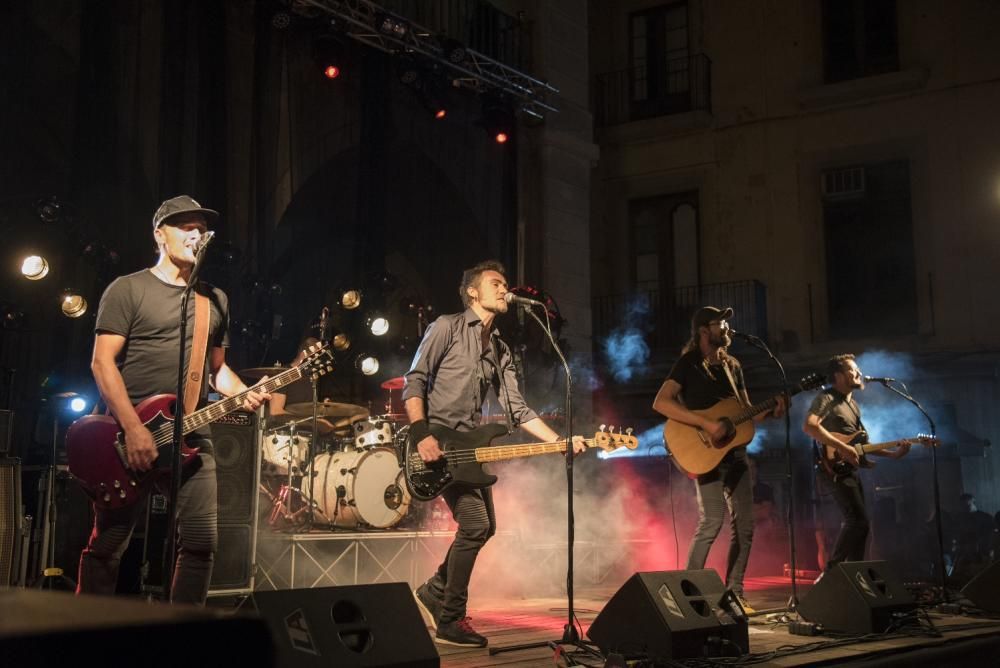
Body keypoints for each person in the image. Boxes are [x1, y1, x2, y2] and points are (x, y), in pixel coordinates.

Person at [77, 195, 270, 604]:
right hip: (128, 434)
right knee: (109, 548)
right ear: (159, 235)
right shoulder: (128, 289)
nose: (195, 233)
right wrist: (132, 428)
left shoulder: (214, 300)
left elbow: (218, 369)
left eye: (200, 227)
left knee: (201, 544)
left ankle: (182, 640)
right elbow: (102, 363)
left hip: (191, 432)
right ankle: (83, 637)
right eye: (184, 226)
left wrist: (244, 392)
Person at [404, 260, 584, 647]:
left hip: (471, 448)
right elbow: (414, 381)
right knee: (474, 525)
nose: (505, 290)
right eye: (496, 284)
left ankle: (436, 589)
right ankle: (449, 616)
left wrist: (560, 441)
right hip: (436, 444)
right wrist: (421, 435)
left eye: (505, 284)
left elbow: (517, 409)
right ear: (473, 291)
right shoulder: (446, 327)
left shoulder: (499, 347)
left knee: (487, 527)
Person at [652, 306, 786, 612]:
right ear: (703, 331)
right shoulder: (688, 363)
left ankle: (734, 593)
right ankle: (687, 592)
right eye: (720, 323)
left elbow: (745, 411)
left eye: (726, 323)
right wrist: (706, 424)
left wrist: (772, 411)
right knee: (712, 521)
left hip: (736, 454)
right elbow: (661, 402)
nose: (727, 328)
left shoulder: (733, 365)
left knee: (746, 525)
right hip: (704, 453)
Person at [803, 354, 909, 575]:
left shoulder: (853, 405)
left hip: (849, 469)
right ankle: (832, 574)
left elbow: (862, 445)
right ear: (838, 376)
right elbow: (810, 426)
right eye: (853, 370)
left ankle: (856, 576)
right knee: (856, 521)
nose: (859, 373)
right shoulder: (827, 398)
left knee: (863, 525)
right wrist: (840, 446)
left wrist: (893, 455)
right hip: (832, 467)